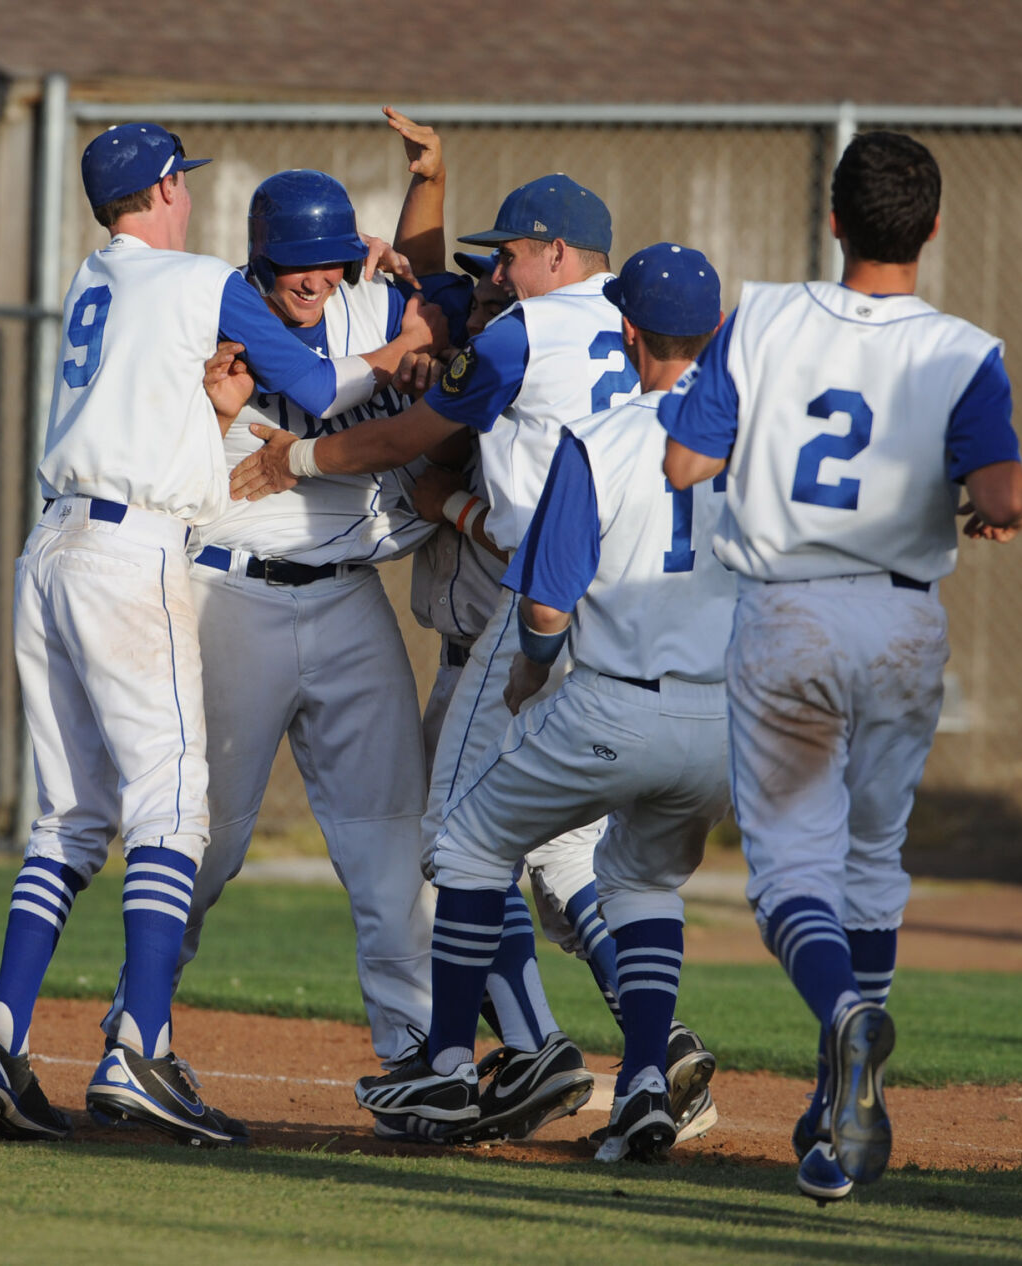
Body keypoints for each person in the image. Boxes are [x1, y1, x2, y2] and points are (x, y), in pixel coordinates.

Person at [0, 124, 437, 1149]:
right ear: (165, 188)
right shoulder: (200, 277)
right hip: (137, 558)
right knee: (174, 814)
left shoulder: (97, 277)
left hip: (51, 545)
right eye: (182, 184)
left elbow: (161, 401)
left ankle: (0, 1039)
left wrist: (213, 405)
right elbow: (313, 391)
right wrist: (394, 356)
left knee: (72, 820)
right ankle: (137, 1044)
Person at [232, 170, 648, 1141]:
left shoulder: (516, 337)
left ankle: (489, 1058)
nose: (489, 275)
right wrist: (430, 186)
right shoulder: (642, 339)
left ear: (555, 253)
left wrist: (294, 459)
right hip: (634, 627)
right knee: (574, 861)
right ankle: (648, 1049)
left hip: (521, 633)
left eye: (505, 256)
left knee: (466, 845)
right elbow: (440, 302)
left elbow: (415, 442)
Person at [661, 131, 1022, 1200]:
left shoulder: (765, 313)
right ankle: (836, 1113)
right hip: (904, 626)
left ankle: (843, 1020)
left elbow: (688, 458)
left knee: (788, 873)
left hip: (788, 616)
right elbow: (1003, 495)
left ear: (834, 219)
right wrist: (985, 503)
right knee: (873, 859)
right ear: (932, 226)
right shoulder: (963, 348)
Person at [386, 243, 736, 1160]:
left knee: (465, 843)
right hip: (723, 722)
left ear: (628, 332)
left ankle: (454, 1065)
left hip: (614, 704)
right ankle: (650, 1082)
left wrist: (528, 680)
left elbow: (545, 604)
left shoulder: (606, 436)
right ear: (716, 335)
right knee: (639, 881)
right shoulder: (757, 450)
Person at [96, 168, 444, 1088]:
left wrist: (399, 250)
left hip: (347, 596)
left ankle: (411, 1056)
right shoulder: (207, 331)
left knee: (389, 843)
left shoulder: (367, 311)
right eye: (301, 267)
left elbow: (437, 295)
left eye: (332, 263)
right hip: (231, 599)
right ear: (262, 261)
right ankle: (140, 1029)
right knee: (206, 843)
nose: (319, 281)